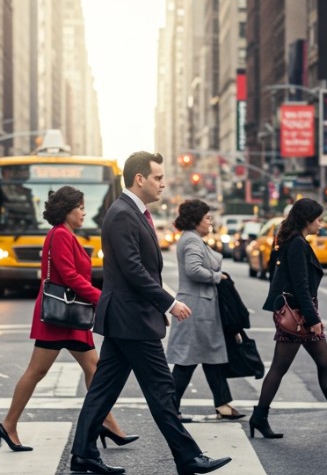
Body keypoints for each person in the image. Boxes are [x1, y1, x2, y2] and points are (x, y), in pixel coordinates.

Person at [70, 152, 231, 475]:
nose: (163, 183)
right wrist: (168, 302)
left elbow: (140, 268)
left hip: (129, 317)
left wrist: (157, 306)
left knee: (103, 390)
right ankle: (188, 457)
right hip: (131, 319)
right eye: (158, 177)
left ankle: (83, 454)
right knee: (161, 389)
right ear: (139, 179)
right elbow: (133, 269)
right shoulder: (122, 214)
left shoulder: (133, 212)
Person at [0, 186, 136, 452]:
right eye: (80, 208)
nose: (84, 212)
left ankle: (108, 423)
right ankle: (8, 424)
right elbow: (70, 276)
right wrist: (101, 298)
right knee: (37, 371)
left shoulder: (68, 234)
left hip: (72, 315)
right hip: (60, 315)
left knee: (94, 369)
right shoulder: (60, 234)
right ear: (67, 209)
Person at [252, 198, 327, 439]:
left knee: (324, 362)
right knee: (281, 367)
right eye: (318, 220)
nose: (321, 224)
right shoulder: (296, 245)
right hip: (298, 316)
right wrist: (313, 320)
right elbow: (301, 286)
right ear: (307, 220)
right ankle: (259, 416)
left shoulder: (295, 242)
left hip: (301, 313)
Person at [167, 199, 242, 422]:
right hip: (196, 308)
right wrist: (218, 277)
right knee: (187, 360)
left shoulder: (193, 238)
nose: (211, 222)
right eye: (207, 218)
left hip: (200, 306)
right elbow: (193, 270)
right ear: (196, 220)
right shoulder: (191, 240)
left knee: (210, 356)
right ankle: (169, 408)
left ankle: (223, 404)